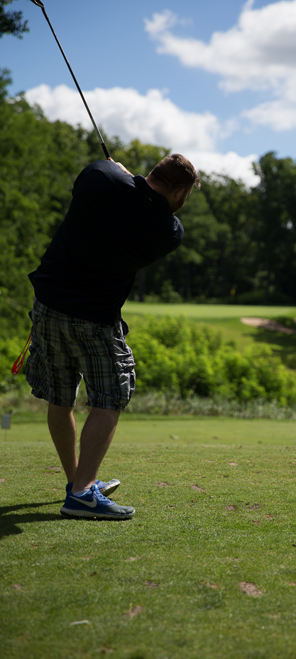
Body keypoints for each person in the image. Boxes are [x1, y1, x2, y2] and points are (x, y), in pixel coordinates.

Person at [26, 154, 200, 520]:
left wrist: (119, 168)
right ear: (180, 192)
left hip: (48, 305)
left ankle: (77, 482)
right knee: (110, 398)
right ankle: (82, 492)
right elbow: (147, 204)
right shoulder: (168, 231)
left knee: (60, 397)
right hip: (95, 319)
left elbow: (107, 169)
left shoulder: (100, 179)